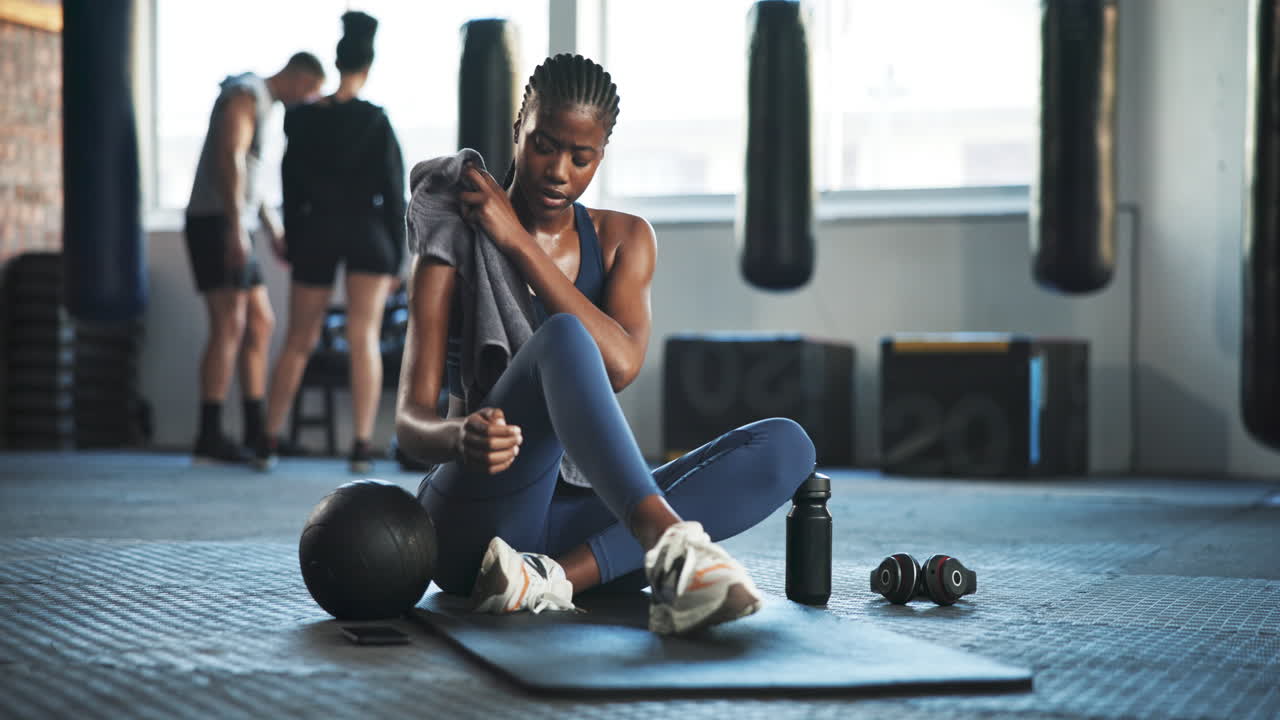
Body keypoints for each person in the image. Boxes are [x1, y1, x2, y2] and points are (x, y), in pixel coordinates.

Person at [395, 54, 816, 635]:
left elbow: (620, 363)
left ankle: (551, 581)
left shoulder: (625, 240)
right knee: (564, 337)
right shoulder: (454, 225)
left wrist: (518, 242)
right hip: (480, 517)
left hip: (582, 527)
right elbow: (409, 424)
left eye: (581, 156)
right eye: (544, 145)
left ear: (601, 155)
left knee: (788, 446)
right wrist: (458, 436)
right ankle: (671, 551)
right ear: (519, 127)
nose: (558, 171)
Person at [255, 11, 405, 473]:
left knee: (298, 338)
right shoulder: (376, 121)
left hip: (317, 231)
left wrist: (293, 242)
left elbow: (291, 188)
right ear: (367, 66)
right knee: (363, 338)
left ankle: (267, 443)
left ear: (336, 62)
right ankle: (361, 447)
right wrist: (399, 258)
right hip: (367, 233)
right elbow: (394, 193)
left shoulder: (300, 121)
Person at [184, 52, 325, 464]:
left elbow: (251, 175)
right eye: (311, 92)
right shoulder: (246, 94)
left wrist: (272, 229)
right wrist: (234, 226)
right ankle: (208, 437)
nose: (309, 101)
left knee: (260, 323)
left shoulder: (264, 105)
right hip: (215, 221)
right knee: (230, 324)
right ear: (300, 77)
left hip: (232, 222)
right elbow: (230, 157)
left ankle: (254, 431)